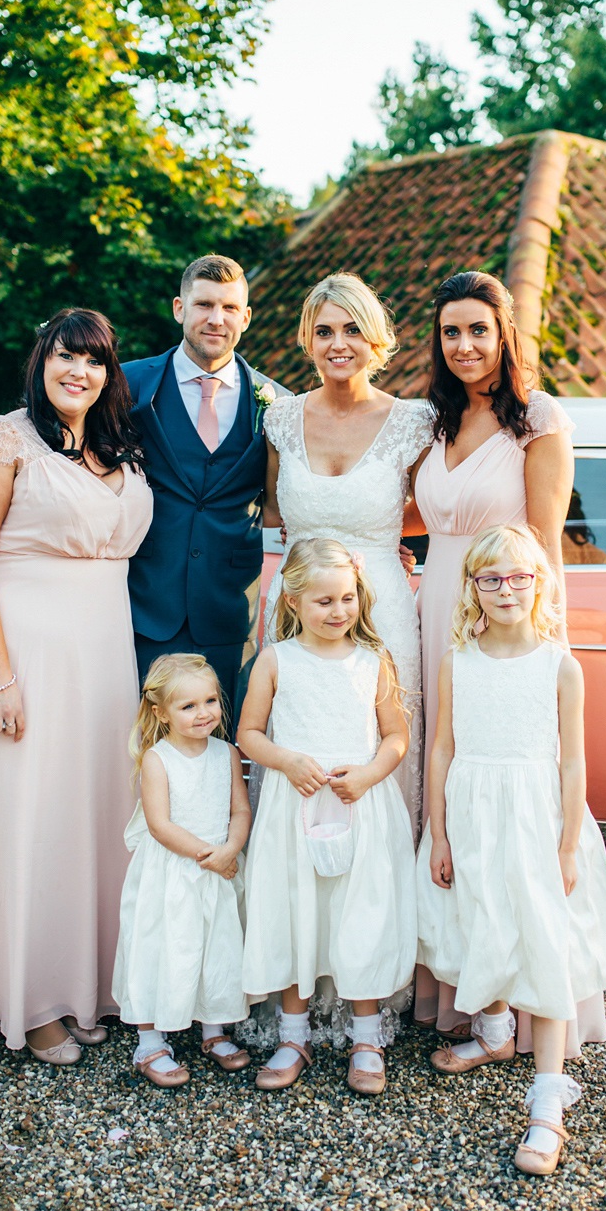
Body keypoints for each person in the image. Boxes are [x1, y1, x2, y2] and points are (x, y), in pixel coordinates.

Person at [0, 309, 153, 1064]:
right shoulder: (0, 437)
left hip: (104, 659)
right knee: (27, 818)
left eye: (95, 362)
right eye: (65, 356)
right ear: (40, 358)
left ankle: (81, 986)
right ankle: (31, 1001)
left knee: (89, 817)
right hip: (20, 655)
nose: (79, 372)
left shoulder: (118, 449)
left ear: (110, 376)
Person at [417, 524, 606, 1175]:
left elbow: (572, 764)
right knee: (485, 917)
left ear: (539, 583)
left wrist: (567, 845)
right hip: (475, 811)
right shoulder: (460, 659)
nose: (506, 589)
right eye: (491, 578)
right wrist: (441, 829)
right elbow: (443, 747)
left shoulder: (560, 665)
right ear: (472, 587)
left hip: (538, 816)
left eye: (519, 577)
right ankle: (496, 1031)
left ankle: (546, 1102)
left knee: (542, 941)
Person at [406, 268, 576, 1037]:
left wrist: (545, 645)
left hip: (501, 616)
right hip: (431, 609)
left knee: (503, 800)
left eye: (479, 328)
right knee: (441, 780)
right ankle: (446, 982)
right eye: (451, 331)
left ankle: (506, 995)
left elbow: (546, 545)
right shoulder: (433, 421)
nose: (465, 344)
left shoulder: (537, 420)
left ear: (504, 334)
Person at [238, 538, 418, 1095]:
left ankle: (367, 1037)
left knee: (360, 913)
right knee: (297, 913)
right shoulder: (275, 661)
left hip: (359, 805)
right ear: (292, 602)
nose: (338, 612)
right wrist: (286, 760)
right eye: (323, 602)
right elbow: (247, 734)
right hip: (294, 806)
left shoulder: (374, 661)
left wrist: (367, 774)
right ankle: (294, 1036)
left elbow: (396, 736)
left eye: (346, 599)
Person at [261, 272, 431, 829]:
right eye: (325, 330)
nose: (339, 344)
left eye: (353, 329)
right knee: (296, 737)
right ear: (308, 339)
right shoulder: (281, 419)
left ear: (376, 338)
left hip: (380, 606)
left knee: (379, 742)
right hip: (296, 604)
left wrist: (385, 541)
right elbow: (274, 509)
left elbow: (431, 504)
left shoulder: (412, 422)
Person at [124, 255, 285, 736]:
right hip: (144, 605)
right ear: (179, 308)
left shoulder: (277, 402)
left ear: (246, 317)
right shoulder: (128, 385)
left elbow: (290, 502)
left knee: (222, 756)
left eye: (230, 307)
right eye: (204, 305)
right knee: (139, 750)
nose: (217, 319)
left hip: (229, 610)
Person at [112, 653, 251, 1087]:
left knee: (215, 946)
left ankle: (213, 1028)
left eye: (210, 700)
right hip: (174, 872)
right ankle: (151, 1040)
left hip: (217, 868)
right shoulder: (159, 759)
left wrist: (231, 848)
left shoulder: (226, 753)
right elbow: (160, 824)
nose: (203, 712)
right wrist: (210, 855)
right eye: (188, 706)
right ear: (162, 712)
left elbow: (240, 809)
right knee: (163, 947)